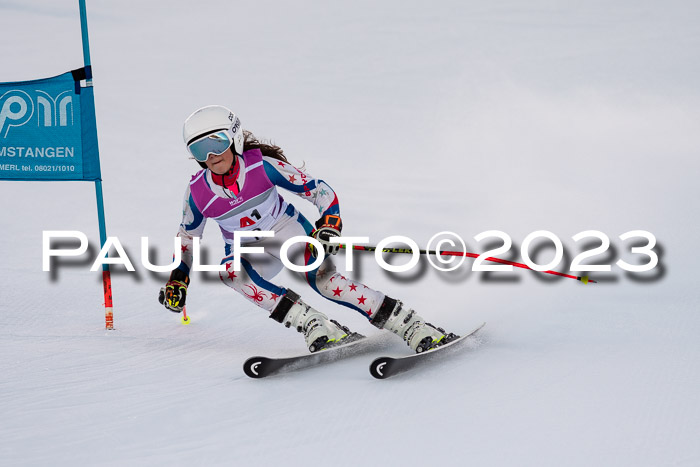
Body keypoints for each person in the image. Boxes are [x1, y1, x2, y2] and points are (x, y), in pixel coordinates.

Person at [158, 105, 456, 353]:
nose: (211, 157)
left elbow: (319, 191)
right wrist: (179, 278)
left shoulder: (262, 166)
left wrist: (328, 225)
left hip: (286, 231)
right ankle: (315, 324)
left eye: (216, 144)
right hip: (247, 250)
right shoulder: (198, 192)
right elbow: (188, 237)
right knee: (231, 273)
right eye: (199, 149)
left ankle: (410, 324)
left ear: (233, 138)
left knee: (326, 281)